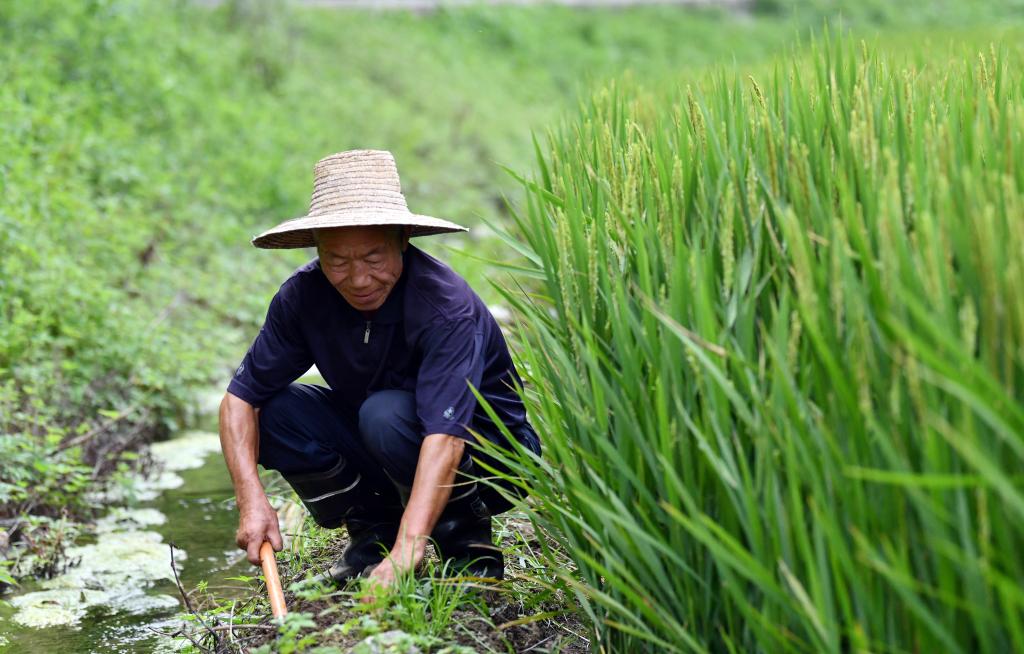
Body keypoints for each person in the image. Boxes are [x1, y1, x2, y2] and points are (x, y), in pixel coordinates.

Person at [218, 149, 540, 593]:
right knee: (274, 411)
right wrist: (250, 499)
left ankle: (465, 548)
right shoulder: (302, 298)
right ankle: (375, 536)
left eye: (373, 258)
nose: (359, 279)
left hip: (489, 458)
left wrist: (413, 545)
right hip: (389, 439)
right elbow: (239, 400)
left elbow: (446, 435)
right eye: (338, 261)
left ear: (403, 238)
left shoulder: (445, 308)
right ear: (317, 251)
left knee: (384, 414)